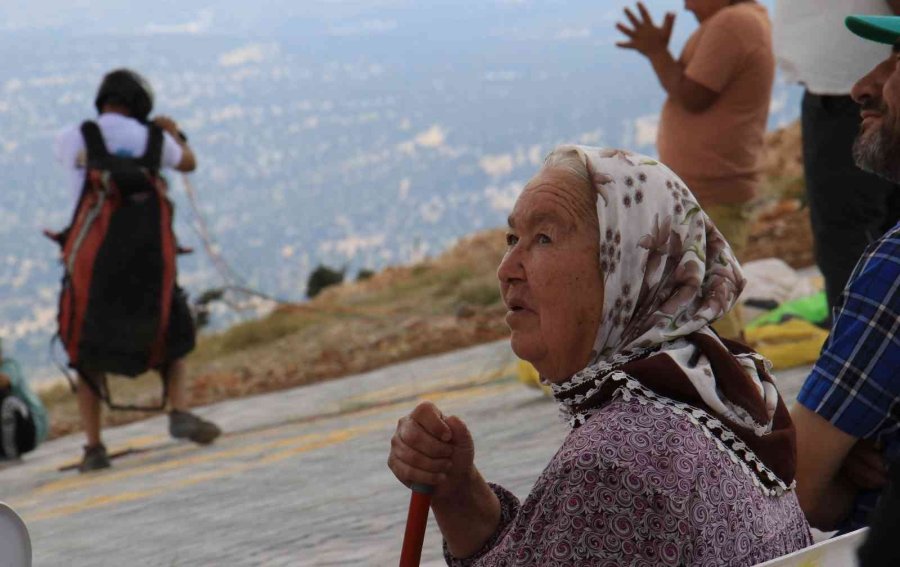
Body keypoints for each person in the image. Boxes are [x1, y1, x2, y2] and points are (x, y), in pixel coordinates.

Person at [387, 146, 812, 565]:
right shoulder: (715, 395)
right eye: (512, 239)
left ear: (625, 267)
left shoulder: (610, 467)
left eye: (543, 238)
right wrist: (458, 492)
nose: (507, 269)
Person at [54, 69, 220, 473]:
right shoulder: (155, 139)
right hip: (149, 265)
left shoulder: (74, 137)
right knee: (173, 330)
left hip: (92, 267)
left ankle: (94, 446)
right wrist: (172, 133)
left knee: (85, 353)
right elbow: (189, 163)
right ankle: (179, 410)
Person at [791, 14, 900, 534]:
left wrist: (843, 473)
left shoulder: (893, 271)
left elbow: (800, 486)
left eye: (897, 62)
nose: (861, 87)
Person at [615, 0, 775, 341]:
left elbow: (693, 96)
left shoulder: (734, 23)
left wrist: (657, 52)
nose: (687, 5)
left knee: (707, 297)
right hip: (710, 187)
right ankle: (734, 367)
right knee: (708, 291)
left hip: (714, 187)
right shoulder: (740, 21)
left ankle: (733, 371)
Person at [774, 0, 900, 316]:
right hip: (842, 86)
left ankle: (858, 333)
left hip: (845, 92)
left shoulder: (869, 89)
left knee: (846, 238)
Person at [0, 339, 48, 460]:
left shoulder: (9, 366)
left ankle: (10, 453)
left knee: (8, 403)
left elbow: (4, 381)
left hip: (29, 426)